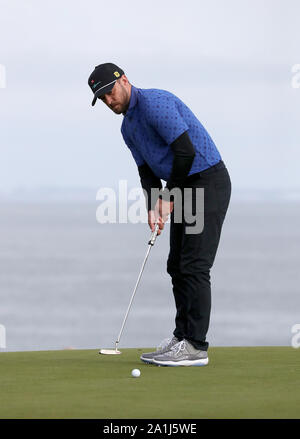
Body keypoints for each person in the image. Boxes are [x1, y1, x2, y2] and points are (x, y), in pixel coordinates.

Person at [88, 62, 231, 367]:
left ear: (124, 80)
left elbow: (185, 152)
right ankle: (182, 338)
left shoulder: (155, 103)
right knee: (176, 264)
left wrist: (168, 198)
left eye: (110, 92)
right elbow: (146, 171)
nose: (108, 101)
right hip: (184, 186)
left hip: (207, 180)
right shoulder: (128, 128)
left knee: (193, 265)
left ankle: (195, 346)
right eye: (102, 98)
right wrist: (155, 206)